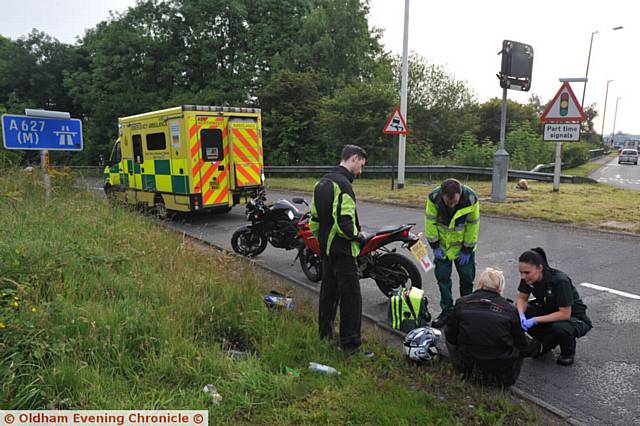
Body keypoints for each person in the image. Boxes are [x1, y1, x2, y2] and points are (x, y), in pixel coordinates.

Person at [309, 145, 373, 358]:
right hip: (344, 252)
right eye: (361, 165)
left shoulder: (321, 183)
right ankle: (351, 345)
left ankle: (324, 335)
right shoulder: (344, 186)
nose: (360, 172)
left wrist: (323, 242)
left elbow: (314, 220)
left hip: (327, 251)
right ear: (353, 159)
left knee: (328, 295)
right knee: (351, 299)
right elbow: (345, 223)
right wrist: (358, 236)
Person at [445, 267, 541, 387]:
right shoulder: (510, 310)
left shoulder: (461, 304)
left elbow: (450, 335)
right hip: (500, 374)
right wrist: (537, 347)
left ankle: (462, 369)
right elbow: (522, 343)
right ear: (500, 288)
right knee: (519, 347)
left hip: (469, 367)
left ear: (480, 284)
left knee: (450, 333)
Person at [517, 247, 592, 366]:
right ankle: (545, 341)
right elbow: (522, 298)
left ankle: (567, 352)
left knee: (560, 327)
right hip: (549, 311)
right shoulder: (529, 278)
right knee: (518, 311)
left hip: (573, 317)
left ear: (540, 268)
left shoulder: (560, 281)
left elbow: (565, 314)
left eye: (526, 272)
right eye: (521, 272)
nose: (523, 276)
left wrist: (535, 320)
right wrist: (521, 315)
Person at [425, 178, 480, 328]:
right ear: (442, 194)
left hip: (463, 249)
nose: (451, 205)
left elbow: (473, 225)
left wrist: (467, 249)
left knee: (467, 280)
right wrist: (435, 246)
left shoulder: (470, 199)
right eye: (448, 202)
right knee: (443, 280)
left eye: (454, 202)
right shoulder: (434, 198)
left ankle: (466, 310)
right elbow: (430, 222)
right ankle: (447, 311)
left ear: (459, 194)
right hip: (442, 248)